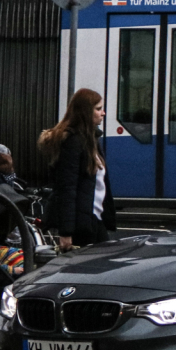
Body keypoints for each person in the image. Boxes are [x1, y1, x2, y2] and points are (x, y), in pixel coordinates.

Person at [38, 88, 115, 250]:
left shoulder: (92, 140)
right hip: (82, 223)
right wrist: (66, 232)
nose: (103, 113)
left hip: (93, 219)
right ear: (86, 112)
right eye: (98, 109)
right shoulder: (73, 143)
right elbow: (67, 188)